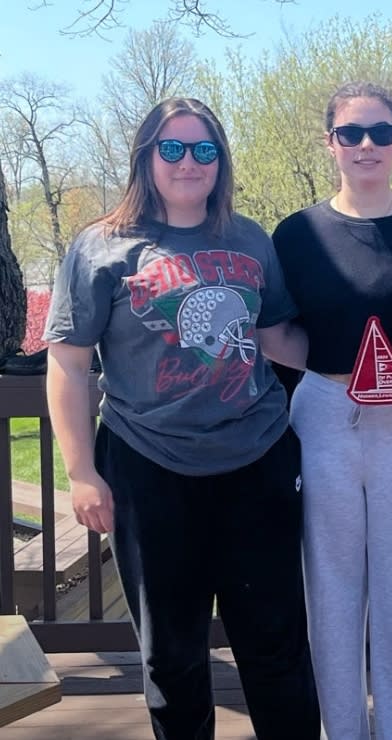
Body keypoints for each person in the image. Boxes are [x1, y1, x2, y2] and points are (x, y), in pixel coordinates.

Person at [43, 97, 319, 739]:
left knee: (275, 646)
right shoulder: (100, 247)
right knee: (172, 659)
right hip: (149, 470)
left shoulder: (249, 238)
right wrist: (82, 471)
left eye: (204, 149)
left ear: (221, 161)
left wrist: (366, 361)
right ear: (146, 157)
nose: (189, 162)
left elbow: (279, 336)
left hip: (258, 461)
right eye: (172, 148)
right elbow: (67, 366)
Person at [271, 81, 392, 740]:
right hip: (324, 416)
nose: (366, 145)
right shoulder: (295, 235)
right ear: (329, 142)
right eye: (351, 133)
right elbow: (280, 337)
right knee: (328, 597)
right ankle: (343, 732)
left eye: (380, 132)